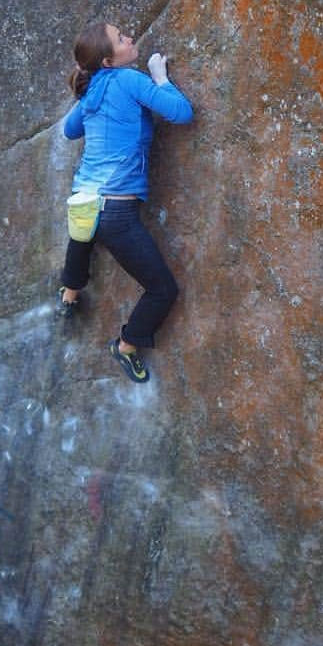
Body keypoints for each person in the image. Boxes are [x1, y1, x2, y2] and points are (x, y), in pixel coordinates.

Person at [60, 21, 193, 384]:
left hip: (83, 200)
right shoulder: (131, 80)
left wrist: (92, 106)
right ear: (108, 60)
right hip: (115, 213)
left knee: (83, 236)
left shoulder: (92, 91)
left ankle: (70, 292)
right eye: (121, 38)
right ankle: (127, 345)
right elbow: (182, 113)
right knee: (163, 290)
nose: (129, 38)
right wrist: (159, 76)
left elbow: (70, 130)